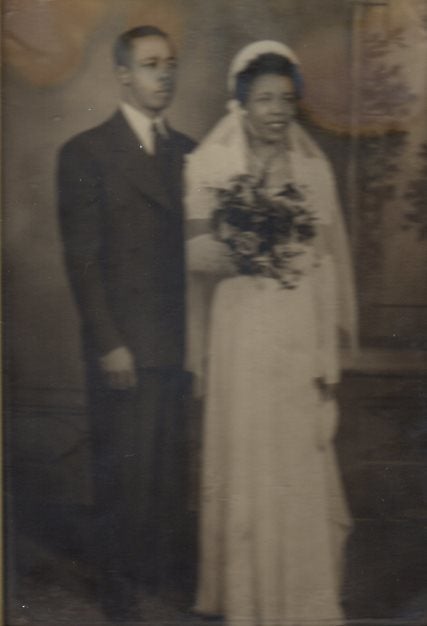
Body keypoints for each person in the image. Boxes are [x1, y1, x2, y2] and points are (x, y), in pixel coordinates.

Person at [185, 41, 358, 626]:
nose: (277, 110)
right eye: (263, 99)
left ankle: (300, 599)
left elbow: (327, 265)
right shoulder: (212, 165)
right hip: (240, 328)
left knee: (296, 452)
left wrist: (324, 357)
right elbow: (193, 253)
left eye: (286, 99)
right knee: (248, 451)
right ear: (240, 103)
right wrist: (247, 249)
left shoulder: (313, 169)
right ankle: (248, 598)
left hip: (295, 324)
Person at [57, 25, 195, 620]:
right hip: (125, 344)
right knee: (124, 470)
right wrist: (109, 343)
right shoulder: (87, 151)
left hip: (180, 341)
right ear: (122, 75)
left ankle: (158, 578)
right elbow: (82, 262)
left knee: (167, 470)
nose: (162, 75)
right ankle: (119, 591)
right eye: (149, 65)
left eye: (169, 64)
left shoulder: (192, 152)